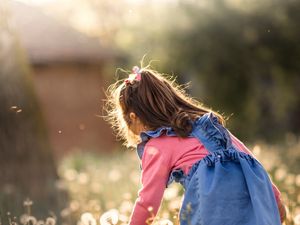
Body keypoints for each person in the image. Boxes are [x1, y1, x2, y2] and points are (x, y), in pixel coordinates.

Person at [104, 65, 286, 225]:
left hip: (211, 209)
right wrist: (275, 198)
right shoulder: (208, 127)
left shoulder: (157, 146)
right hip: (250, 199)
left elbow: (147, 202)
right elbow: (250, 161)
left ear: (134, 117)